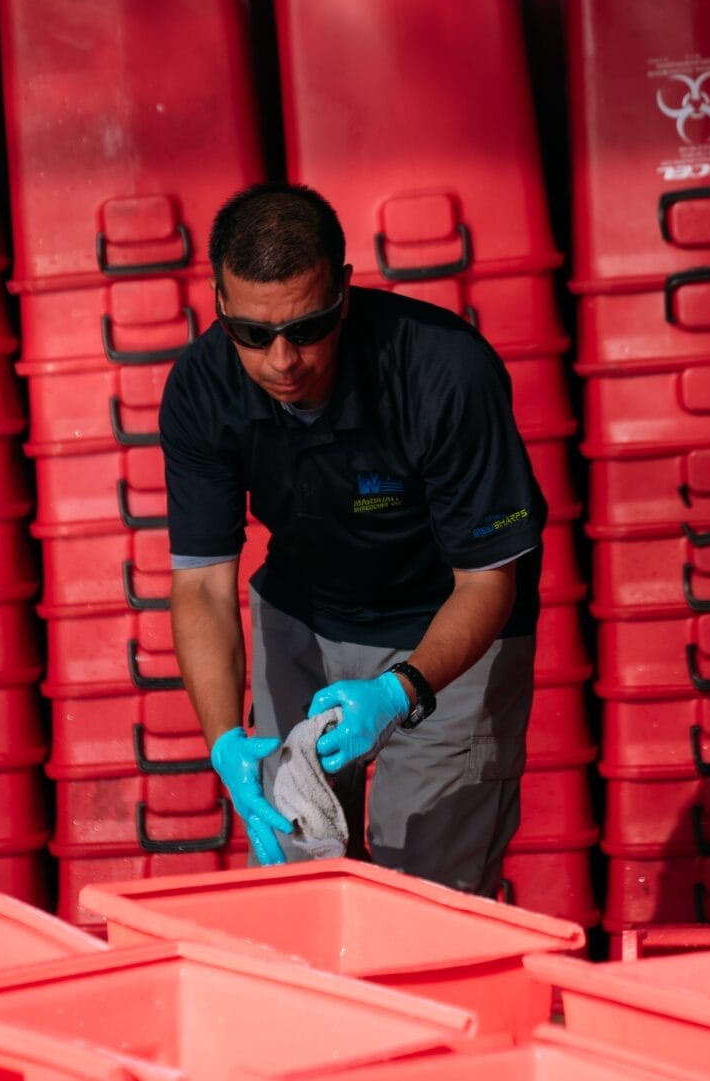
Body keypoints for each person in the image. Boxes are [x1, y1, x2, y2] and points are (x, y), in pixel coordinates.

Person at [159, 182, 546, 895]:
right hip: (306, 612)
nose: (282, 360)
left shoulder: (445, 373)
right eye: (253, 333)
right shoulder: (199, 387)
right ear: (217, 301)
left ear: (343, 290)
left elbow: (490, 580)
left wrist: (401, 692)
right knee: (296, 887)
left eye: (308, 328)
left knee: (424, 896)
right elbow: (203, 584)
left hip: (448, 625)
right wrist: (222, 739)